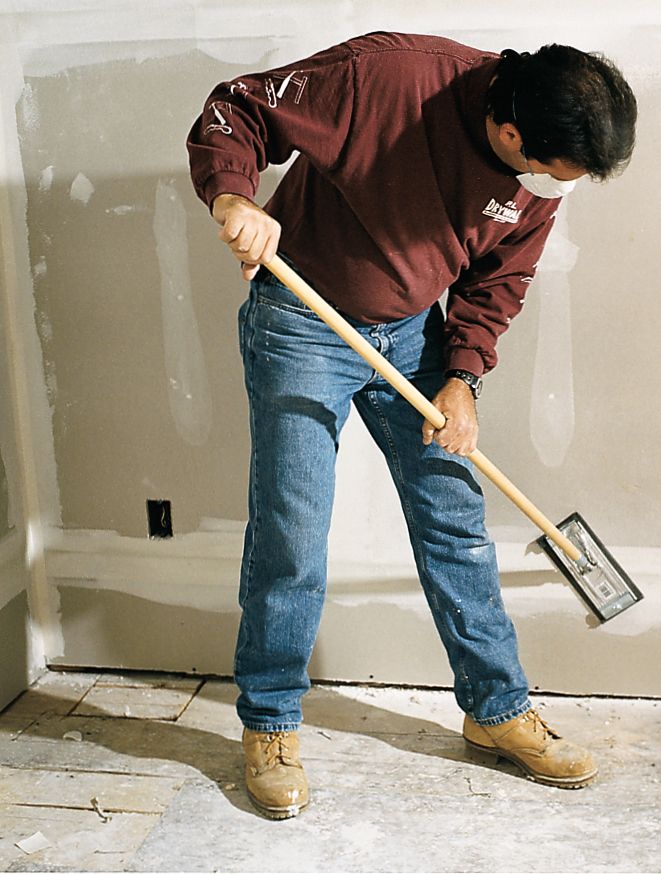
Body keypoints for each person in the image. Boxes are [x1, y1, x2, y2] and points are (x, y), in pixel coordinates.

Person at [187, 31, 636, 819]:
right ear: (508, 132)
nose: (548, 190)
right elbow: (240, 108)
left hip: (416, 335)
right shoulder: (387, 79)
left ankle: (496, 709)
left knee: (454, 518)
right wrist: (233, 195)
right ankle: (270, 721)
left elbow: (502, 278)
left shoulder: (544, 179)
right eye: (543, 171)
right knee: (293, 529)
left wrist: (463, 376)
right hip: (302, 318)